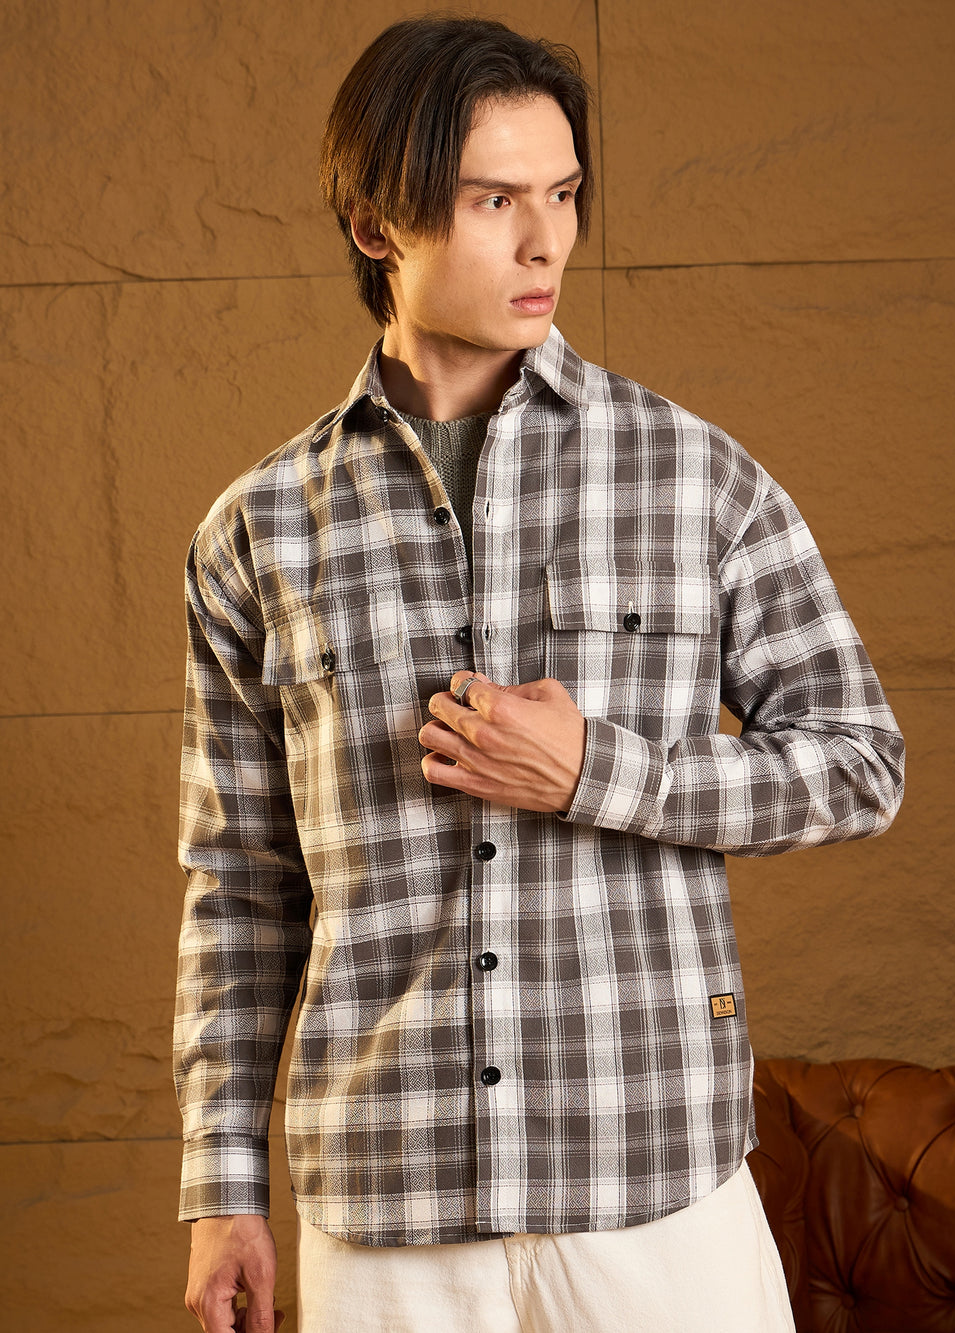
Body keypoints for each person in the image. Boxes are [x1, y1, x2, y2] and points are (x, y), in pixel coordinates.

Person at [174, 14, 904, 1333]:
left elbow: (861, 765)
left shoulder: (695, 478)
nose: (546, 241)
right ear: (375, 224)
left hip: (651, 1182)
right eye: (494, 200)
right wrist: (224, 1188)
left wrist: (598, 773)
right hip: (387, 1208)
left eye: (562, 194)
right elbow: (239, 887)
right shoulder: (257, 533)